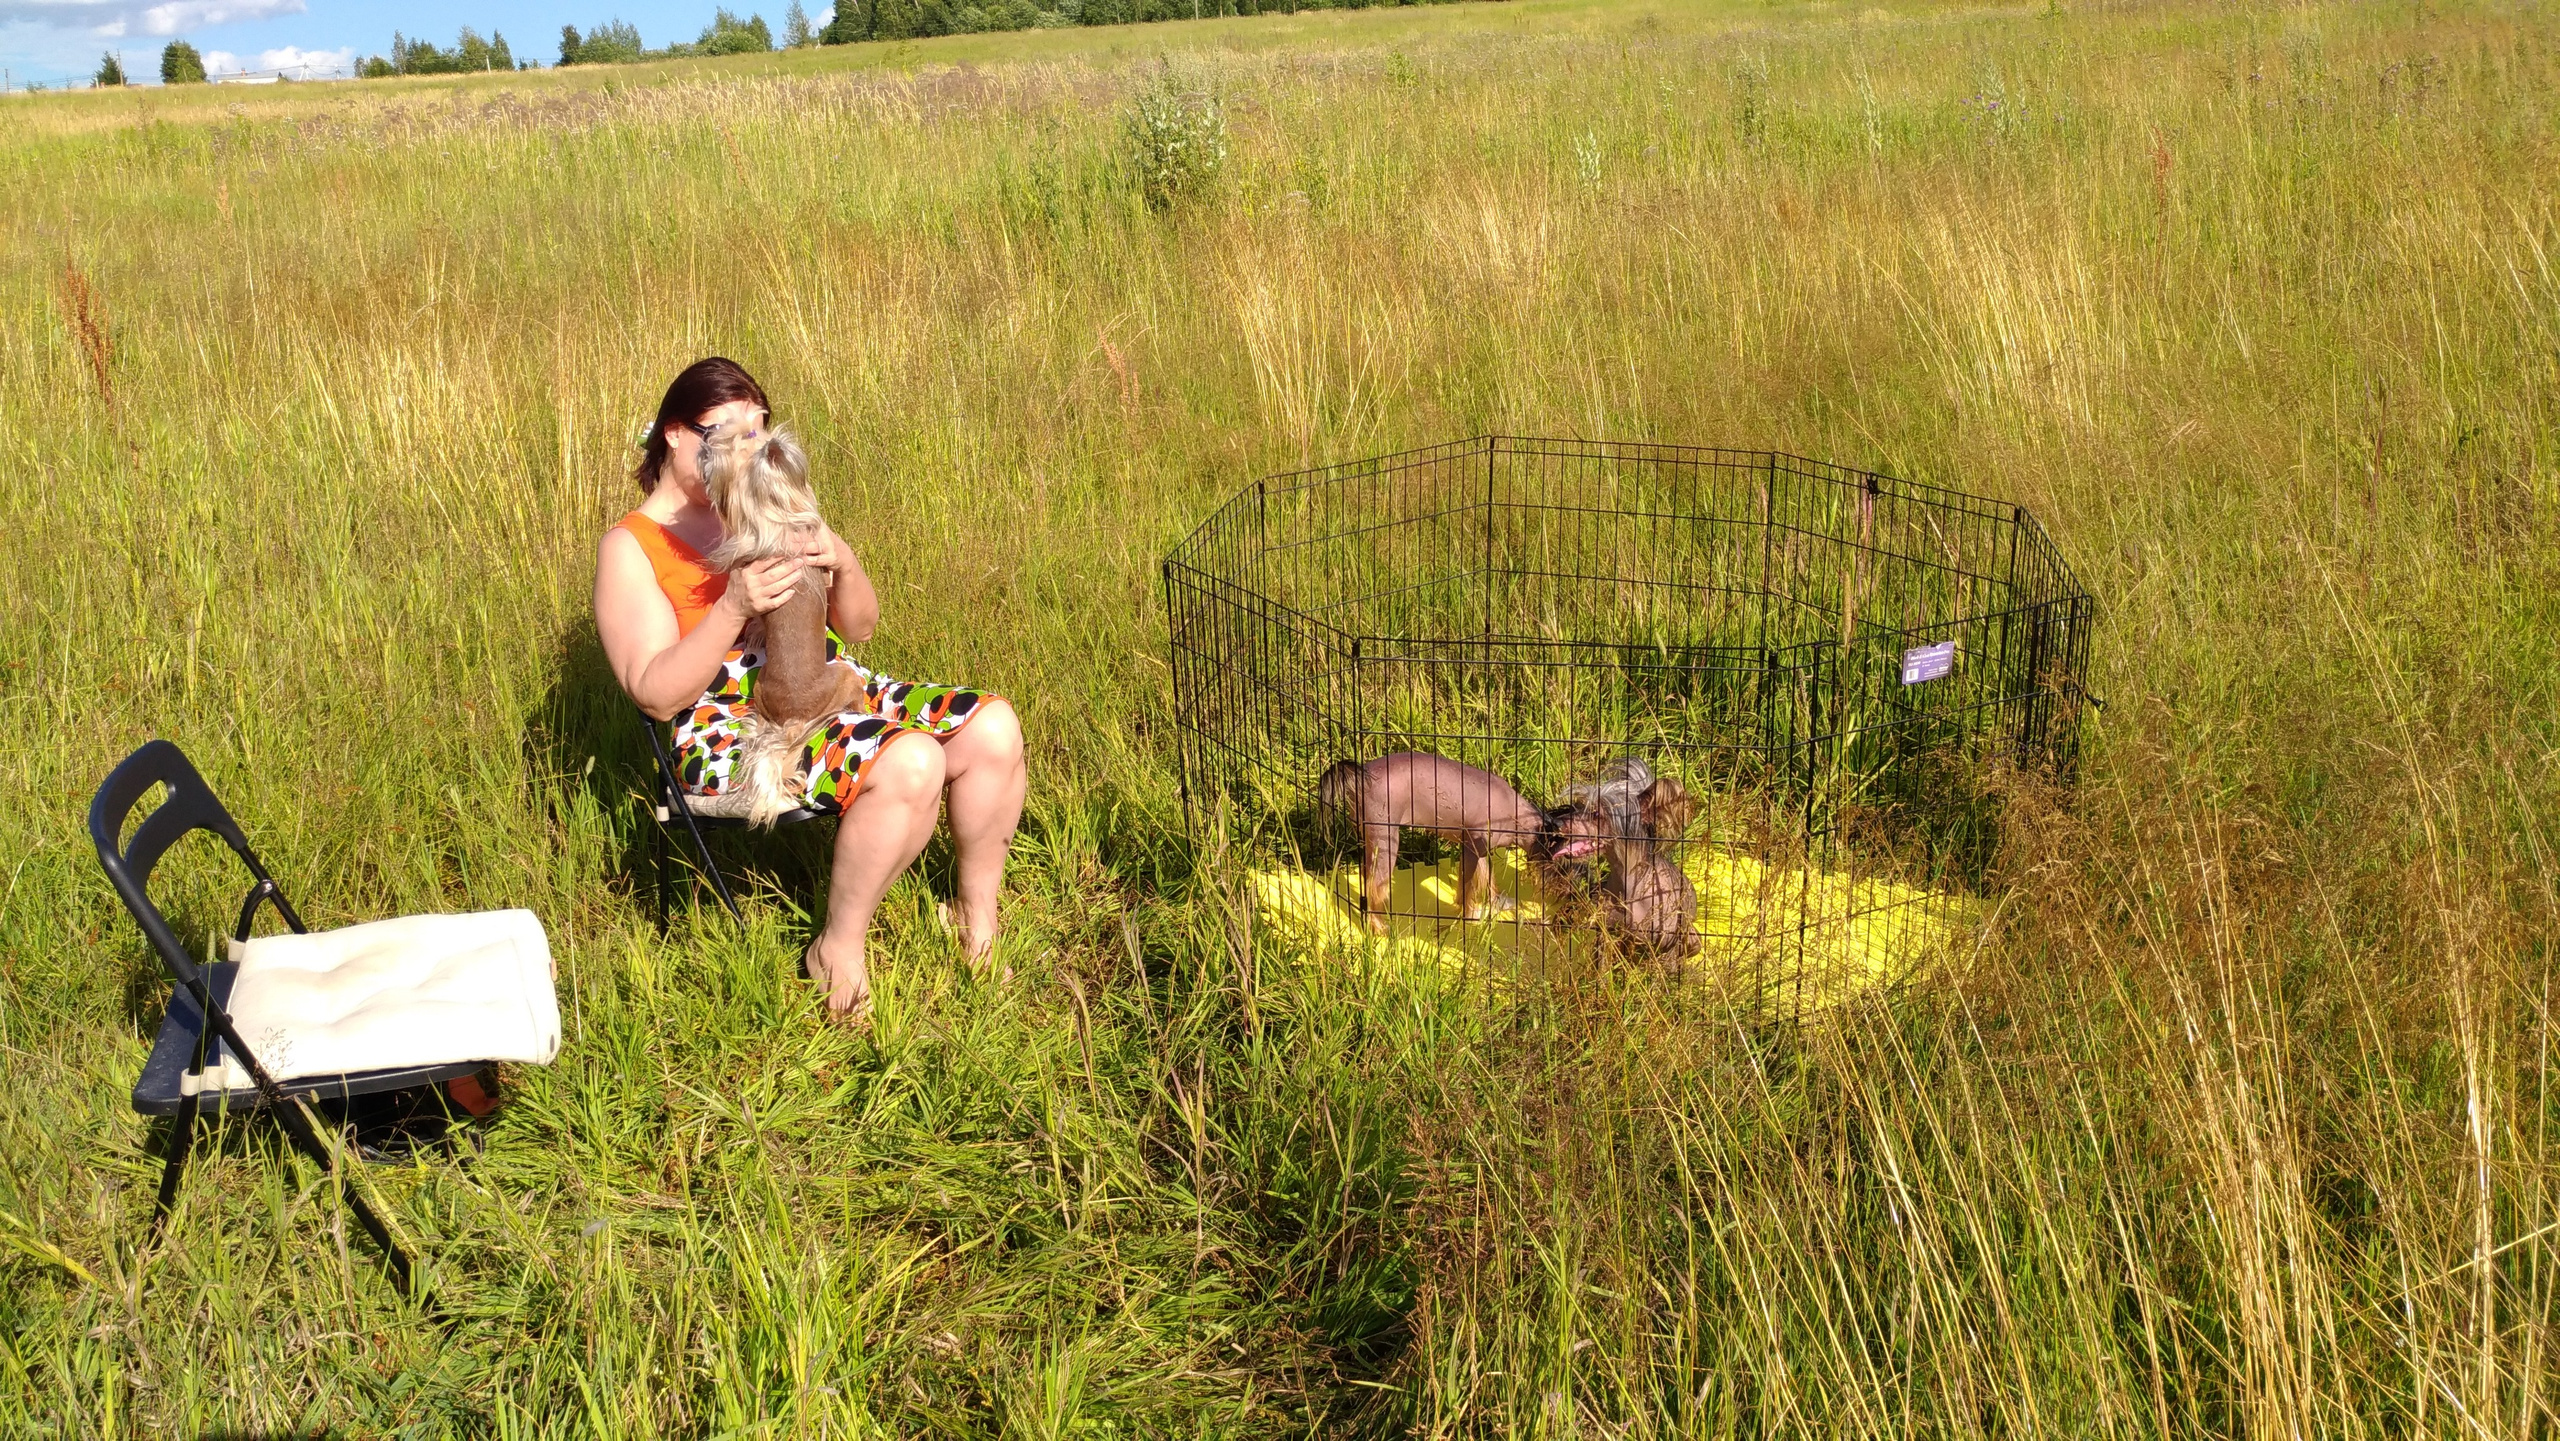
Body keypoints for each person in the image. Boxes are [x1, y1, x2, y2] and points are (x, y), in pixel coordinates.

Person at [594, 357, 1026, 1021]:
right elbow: (654, 694)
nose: (753, 447)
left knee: (993, 729)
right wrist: (734, 604)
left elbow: (860, 625)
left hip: (825, 683)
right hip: (725, 721)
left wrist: (843, 560)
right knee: (913, 759)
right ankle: (837, 950)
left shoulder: (768, 497)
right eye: (730, 433)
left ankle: (978, 924)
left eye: (760, 429)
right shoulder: (632, 547)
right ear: (677, 434)